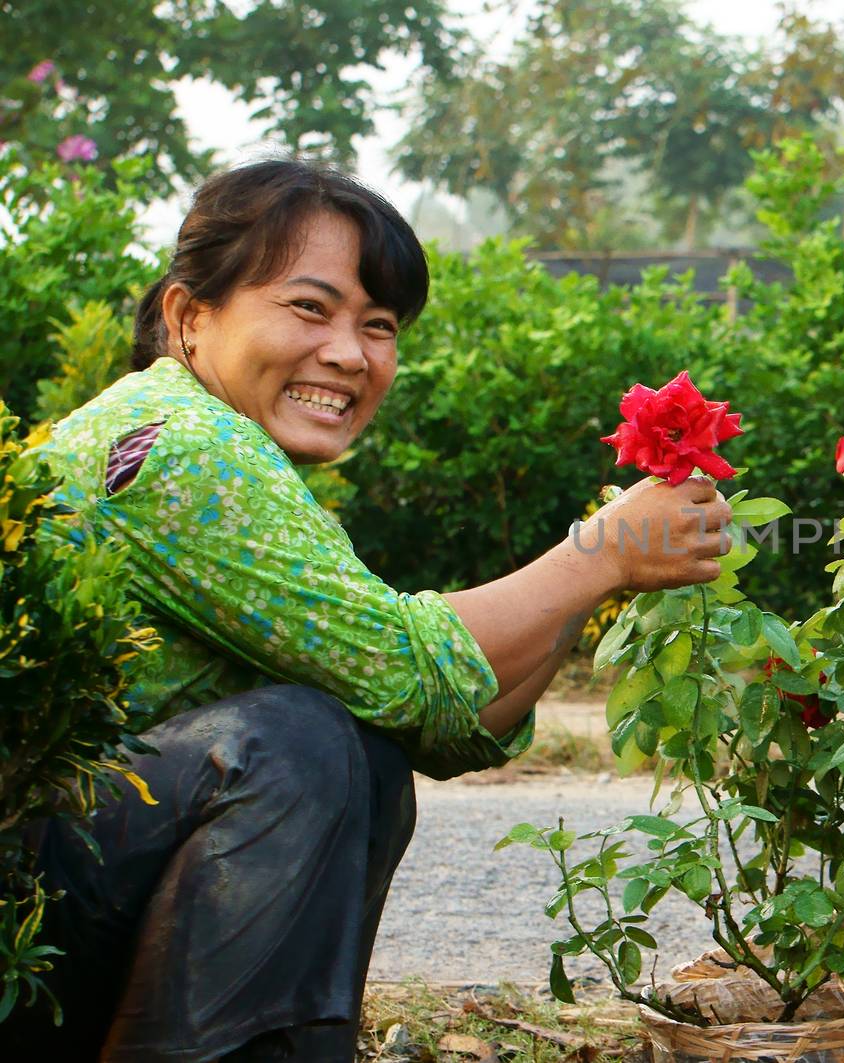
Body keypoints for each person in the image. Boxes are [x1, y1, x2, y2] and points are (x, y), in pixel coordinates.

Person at [0, 158, 731, 1061]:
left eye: (378, 326)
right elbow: (420, 670)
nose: (350, 353)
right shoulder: (178, 447)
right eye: (310, 308)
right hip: (16, 933)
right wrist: (599, 550)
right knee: (295, 741)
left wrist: (606, 574)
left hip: (48, 910)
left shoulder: (224, 449)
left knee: (357, 754)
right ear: (191, 317)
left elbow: (445, 726)